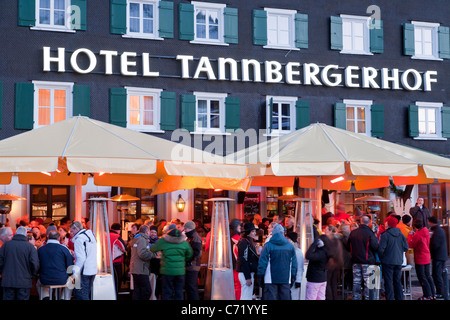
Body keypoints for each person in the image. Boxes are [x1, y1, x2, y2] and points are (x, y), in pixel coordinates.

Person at [150, 224, 193, 300]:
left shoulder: (163, 240)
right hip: (180, 272)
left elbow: (153, 249)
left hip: (167, 271)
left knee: (167, 292)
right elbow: (190, 255)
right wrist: (183, 260)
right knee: (179, 292)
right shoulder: (184, 242)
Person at [257, 224, 297, 300]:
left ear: (273, 234)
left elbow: (262, 264)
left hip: (270, 280)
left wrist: (260, 277)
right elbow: (294, 264)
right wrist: (293, 277)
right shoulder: (290, 246)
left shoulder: (267, 246)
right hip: (286, 279)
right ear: (283, 233)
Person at [0, 226, 39, 300]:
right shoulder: (30, 247)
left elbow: (0, 262)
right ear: (25, 235)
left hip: (8, 280)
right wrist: (32, 275)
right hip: (24, 282)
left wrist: (3, 273)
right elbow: (34, 264)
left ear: (16, 234)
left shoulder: (6, 245)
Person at [347, 215, 379, 300]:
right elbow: (375, 247)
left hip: (355, 261)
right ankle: (367, 298)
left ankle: (356, 298)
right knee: (368, 283)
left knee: (356, 282)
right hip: (367, 261)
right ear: (368, 223)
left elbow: (348, 246)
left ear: (360, 222)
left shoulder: (353, 233)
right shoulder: (370, 233)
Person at [378, 216, 409, 300]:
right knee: (397, 281)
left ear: (388, 224)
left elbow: (381, 249)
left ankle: (390, 298)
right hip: (398, 261)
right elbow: (406, 248)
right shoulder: (401, 235)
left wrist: (382, 258)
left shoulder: (385, 235)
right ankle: (399, 298)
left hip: (387, 262)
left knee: (388, 282)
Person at [37, 230, 74, 300]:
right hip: (61, 279)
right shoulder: (64, 249)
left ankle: (45, 296)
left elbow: (37, 264)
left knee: (39, 282)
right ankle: (64, 298)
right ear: (59, 238)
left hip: (45, 279)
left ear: (48, 237)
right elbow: (70, 265)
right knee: (71, 281)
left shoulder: (40, 249)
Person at [70, 221, 97, 300]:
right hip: (92, 269)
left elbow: (81, 258)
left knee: (81, 295)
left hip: (83, 271)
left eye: (72, 231)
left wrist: (74, 271)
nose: (71, 233)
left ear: (77, 229)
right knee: (86, 294)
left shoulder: (79, 239)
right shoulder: (91, 236)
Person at [408, 219, 435, 300]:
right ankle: (432, 294)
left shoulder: (417, 235)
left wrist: (410, 235)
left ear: (415, 226)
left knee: (422, 277)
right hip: (427, 256)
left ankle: (427, 295)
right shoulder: (426, 231)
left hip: (420, 258)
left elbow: (411, 244)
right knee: (428, 276)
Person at [129, 225, 155, 300]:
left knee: (138, 291)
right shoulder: (142, 240)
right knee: (147, 291)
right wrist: (154, 254)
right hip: (141, 269)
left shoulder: (136, 238)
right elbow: (142, 254)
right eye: (150, 231)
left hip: (136, 268)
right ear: (147, 232)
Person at [236, 222, 259, 300]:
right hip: (246, 273)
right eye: (253, 231)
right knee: (246, 296)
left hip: (247, 273)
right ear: (248, 232)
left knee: (247, 296)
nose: (255, 233)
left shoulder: (247, 242)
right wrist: (248, 277)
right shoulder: (244, 242)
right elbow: (243, 260)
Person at [305, 235, 331, 300]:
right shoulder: (327, 251)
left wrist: (314, 244)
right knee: (321, 297)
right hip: (322, 278)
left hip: (315, 279)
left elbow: (308, 255)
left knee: (310, 297)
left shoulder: (320, 253)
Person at [428, 216, 448, 299]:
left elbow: (435, 244)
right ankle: (441, 291)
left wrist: (429, 249)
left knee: (437, 274)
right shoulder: (439, 230)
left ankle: (440, 292)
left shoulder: (436, 231)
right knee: (438, 274)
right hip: (441, 255)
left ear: (431, 222)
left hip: (438, 256)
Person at [324, 225, 344, 300]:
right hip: (337, 263)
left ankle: (329, 298)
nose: (325, 231)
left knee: (328, 283)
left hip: (330, 263)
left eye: (326, 230)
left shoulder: (329, 240)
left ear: (330, 231)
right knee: (334, 283)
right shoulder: (337, 240)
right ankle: (334, 297)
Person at [184, 220, 202, 300]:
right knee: (190, 287)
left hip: (193, 266)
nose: (185, 231)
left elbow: (196, 252)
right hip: (191, 265)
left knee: (191, 288)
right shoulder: (191, 237)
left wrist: (187, 258)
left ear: (190, 228)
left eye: (186, 229)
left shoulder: (195, 238)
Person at [286, 232, 304, 300]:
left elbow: (300, 267)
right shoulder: (287, 249)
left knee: (294, 296)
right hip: (287, 278)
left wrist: (298, 280)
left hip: (293, 278)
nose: (286, 239)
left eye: (287, 238)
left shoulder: (298, 251)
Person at [110, 223, 126, 295]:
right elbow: (124, 248)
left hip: (105, 262)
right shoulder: (116, 236)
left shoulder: (105, 235)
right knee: (116, 281)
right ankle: (115, 296)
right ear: (119, 230)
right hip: (116, 261)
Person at [230, 219, 242, 300]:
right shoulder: (237, 238)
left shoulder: (229, 237)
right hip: (237, 265)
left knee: (235, 285)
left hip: (231, 265)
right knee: (238, 285)